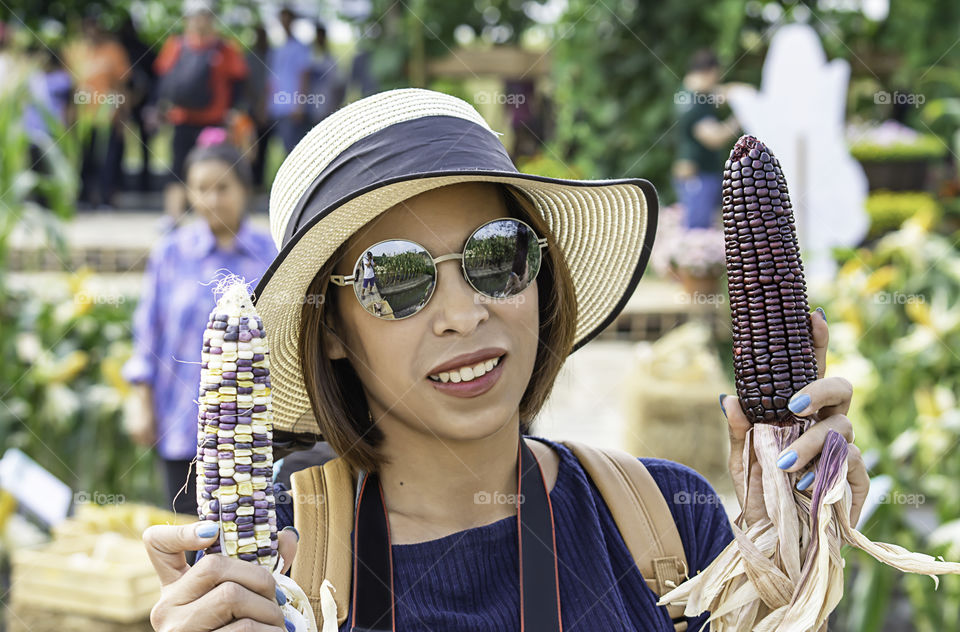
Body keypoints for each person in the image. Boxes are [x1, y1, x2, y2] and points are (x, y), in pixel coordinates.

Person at [144, 89, 869, 632]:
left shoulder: (671, 526)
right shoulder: (271, 565)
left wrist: (795, 554)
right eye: (396, 278)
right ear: (330, 328)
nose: (464, 313)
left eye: (499, 256)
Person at [122, 128, 277, 525]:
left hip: (251, 428)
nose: (211, 199)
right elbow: (148, 331)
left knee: (252, 533)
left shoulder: (271, 253)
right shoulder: (171, 253)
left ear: (244, 189)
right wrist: (141, 402)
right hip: (180, 423)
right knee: (189, 535)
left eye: (222, 187)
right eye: (200, 188)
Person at [154, 0, 248, 224]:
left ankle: (216, 218)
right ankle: (173, 218)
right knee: (177, 169)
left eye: (205, 16)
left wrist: (236, 113)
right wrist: (159, 108)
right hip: (182, 119)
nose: (200, 21)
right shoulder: (175, 45)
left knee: (217, 170)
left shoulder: (226, 49)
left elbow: (239, 83)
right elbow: (163, 81)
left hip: (214, 122)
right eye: (196, 16)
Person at [64, 15, 130, 210]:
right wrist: (69, 115)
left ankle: (106, 196)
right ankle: (84, 196)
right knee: (85, 157)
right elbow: (70, 88)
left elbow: (121, 85)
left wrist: (123, 115)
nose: (92, 31)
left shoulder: (113, 51)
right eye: (88, 26)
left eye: (95, 26)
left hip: (107, 115)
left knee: (108, 158)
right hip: (83, 117)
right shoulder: (75, 51)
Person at [672, 49, 740, 229]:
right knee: (698, 233)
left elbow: (723, 93)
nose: (718, 80)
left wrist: (742, 94)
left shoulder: (695, 94)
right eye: (716, 75)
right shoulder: (693, 103)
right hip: (698, 177)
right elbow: (714, 137)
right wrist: (738, 120)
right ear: (709, 72)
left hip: (700, 174)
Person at [266, 6, 312, 153]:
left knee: (293, 151)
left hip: (292, 108)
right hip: (277, 108)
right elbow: (272, 79)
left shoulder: (300, 48)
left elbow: (304, 76)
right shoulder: (277, 49)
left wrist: (299, 105)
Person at [303, 20, 345, 127]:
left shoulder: (331, 60)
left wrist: (335, 106)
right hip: (310, 110)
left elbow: (338, 86)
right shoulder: (308, 58)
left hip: (327, 109)